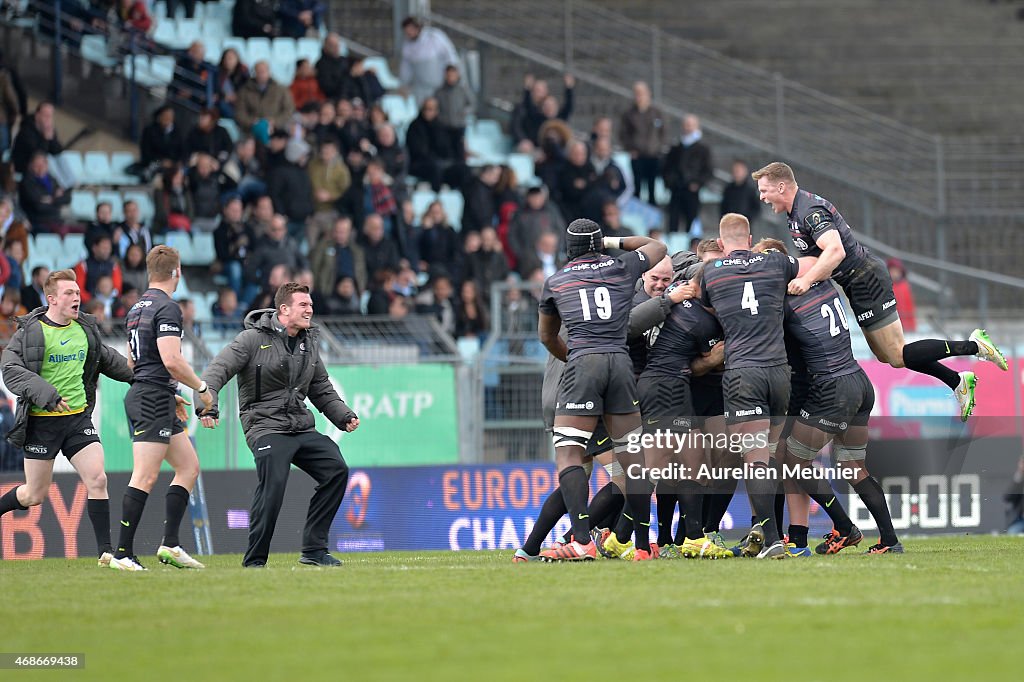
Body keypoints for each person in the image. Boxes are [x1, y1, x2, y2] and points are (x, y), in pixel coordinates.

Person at [752, 161, 1007, 421]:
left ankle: (975, 346)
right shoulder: (795, 212)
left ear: (781, 186)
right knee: (890, 356)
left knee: (897, 354)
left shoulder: (809, 211)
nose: (761, 197)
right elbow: (819, 259)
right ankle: (956, 380)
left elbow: (835, 251)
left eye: (764, 190)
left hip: (865, 278)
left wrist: (806, 282)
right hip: (856, 282)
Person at [753, 238, 902, 556]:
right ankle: (890, 541)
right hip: (859, 381)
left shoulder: (784, 300)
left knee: (794, 461)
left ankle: (845, 527)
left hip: (833, 389)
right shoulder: (820, 283)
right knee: (853, 468)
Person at [199, 282, 358, 567]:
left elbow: (320, 385)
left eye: (310, 305)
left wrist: (342, 415)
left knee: (336, 470)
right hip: (264, 426)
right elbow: (216, 371)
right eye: (303, 305)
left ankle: (314, 551)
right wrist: (206, 406)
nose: (310, 309)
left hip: (300, 426)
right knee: (274, 484)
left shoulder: (309, 342)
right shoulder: (250, 339)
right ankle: (255, 560)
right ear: (283, 309)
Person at [536, 219, 666, 561]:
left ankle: (581, 540)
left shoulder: (557, 280)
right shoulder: (621, 266)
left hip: (584, 364)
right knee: (633, 461)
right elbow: (657, 248)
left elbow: (546, 336)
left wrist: (575, 356)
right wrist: (609, 241)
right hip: (620, 364)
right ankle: (641, 546)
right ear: (598, 243)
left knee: (569, 454)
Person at [0, 270, 136, 567]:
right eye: (69, 294)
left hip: (77, 419)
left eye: (77, 293)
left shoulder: (85, 328)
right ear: (51, 299)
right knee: (34, 494)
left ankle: (105, 552)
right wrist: (46, 394)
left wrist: (141, 379)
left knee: (98, 478)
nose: (77, 298)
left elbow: (108, 359)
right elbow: (9, 369)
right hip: (41, 423)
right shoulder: (31, 331)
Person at [698, 213, 798, 559]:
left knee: (755, 461)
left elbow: (707, 306)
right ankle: (770, 535)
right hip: (779, 372)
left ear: (722, 244)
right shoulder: (776, 263)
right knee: (770, 457)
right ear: (751, 237)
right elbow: (806, 271)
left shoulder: (711, 271)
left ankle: (771, 538)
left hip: (744, 374)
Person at [112, 246, 215, 571]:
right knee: (145, 475)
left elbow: (133, 363)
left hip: (152, 394)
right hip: (151, 398)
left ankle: (170, 544)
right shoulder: (168, 307)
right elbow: (171, 360)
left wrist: (169, 394)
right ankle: (122, 554)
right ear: (178, 272)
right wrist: (201, 388)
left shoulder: (135, 309)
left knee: (188, 467)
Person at [662, 114, 712, 234]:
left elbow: (708, 170)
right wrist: (671, 182)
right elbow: (666, 168)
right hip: (676, 190)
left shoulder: (703, 149)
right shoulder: (676, 148)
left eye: (690, 125)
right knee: (673, 221)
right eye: (686, 125)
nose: (688, 128)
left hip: (692, 192)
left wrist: (697, 184)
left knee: (692, 221)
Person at [619, 81, 664, 206]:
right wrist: (630, 149)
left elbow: (663, 132)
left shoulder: (656, 113)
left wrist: (658, 147)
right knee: (637, 187)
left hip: (653, 155)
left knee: (652, 187)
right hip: (637, 155)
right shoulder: (629, 114)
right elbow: (623, 134)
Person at [399, 16, 460, 105]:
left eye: (411, 29)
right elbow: (406, 68)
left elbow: (450, 54)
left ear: (417, 27)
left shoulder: (434, 37)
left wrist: (453, 73)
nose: (409, 33)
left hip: (439, 83)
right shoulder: (407, 45)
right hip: (420, 86)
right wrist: (403, 84)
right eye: (406, 31)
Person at [720, 159, 761, 227]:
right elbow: (723, 207)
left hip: (745, 226)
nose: (737, 173)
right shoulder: (728, 189)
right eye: (735, 171)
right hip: (729, 225)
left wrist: (747, 219)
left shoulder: (750, 189)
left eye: (739, 171)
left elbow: (756, 208)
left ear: (745, 172)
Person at [887, 258, 916, 332]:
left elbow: (909, 306)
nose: (894, 273)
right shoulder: (887, 286)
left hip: (906, 324)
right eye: (892, 271)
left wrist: (911, 325)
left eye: (896, 271)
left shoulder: (905, 286)